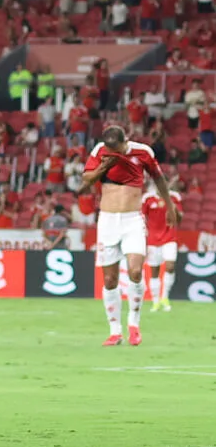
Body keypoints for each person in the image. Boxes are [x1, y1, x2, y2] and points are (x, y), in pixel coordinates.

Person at [80, 125, 178, 347]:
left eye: (117, 148)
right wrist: (103, 167)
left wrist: (170, 207)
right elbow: (86, 181)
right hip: (107, 221)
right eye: (110, 149)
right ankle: (115, 331)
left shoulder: (142, 152)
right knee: (110, 279)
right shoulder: (100, 151)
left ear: (126, 142)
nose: (114, 151)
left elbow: (159, 178)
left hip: (132, 220)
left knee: (135, 271)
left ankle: (134, 325)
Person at [142, 185, 183, 312]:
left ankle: (165, 297)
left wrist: (173, 208)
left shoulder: (174, 197)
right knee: (154, 271)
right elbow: (142, 217)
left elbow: (179, 219)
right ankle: (155, 301)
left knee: (170, 266)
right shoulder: (148, 198)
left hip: (169, 238)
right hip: (153, 240)